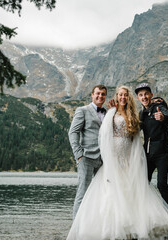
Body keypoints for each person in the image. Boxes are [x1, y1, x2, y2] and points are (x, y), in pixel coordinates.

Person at [66, 86, 168, 240]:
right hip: (111, 157)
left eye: (125, 95)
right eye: (120, 95)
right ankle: (89, 226)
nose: (123, 97)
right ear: (117, 97)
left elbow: (136, 139)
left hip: (128, 157)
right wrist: (106, 158)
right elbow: (104, 137)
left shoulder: (134, 114)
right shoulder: (110, 112)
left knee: (131, 189)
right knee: (106, 191)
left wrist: (136, 158)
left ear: (129, 97)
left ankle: (133, 224)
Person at [68, 84, 107, 219]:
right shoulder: (82, 110)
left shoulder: (107, 113)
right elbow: (73, 132)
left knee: (101, 193)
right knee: (82, 193)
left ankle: (93, 224)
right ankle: (76, 228)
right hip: (86, 158)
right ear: (92, 94)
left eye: (103, 94)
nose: (100, 96)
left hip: (103, 161)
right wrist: (78, 154)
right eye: (97, 93)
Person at [135, 83, 168, 212]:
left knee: (161, 184)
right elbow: (135, 130)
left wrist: (163, 118)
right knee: (143, 183)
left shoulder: (159, 107)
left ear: (151, 95)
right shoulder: (142, 113)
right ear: (138, 98)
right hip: (147, 154)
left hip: (162, 153)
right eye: (141, 95)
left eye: (146, 94)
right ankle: (146, 213)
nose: (144, 97)